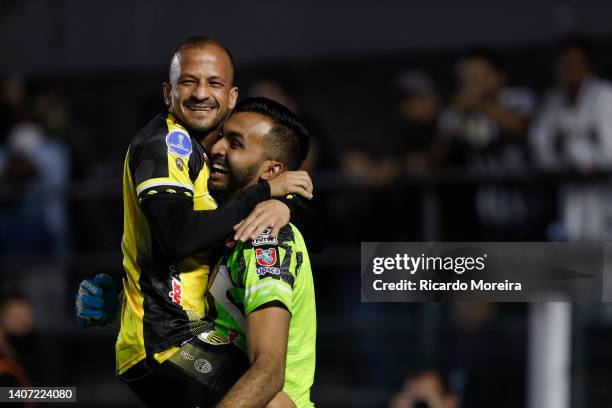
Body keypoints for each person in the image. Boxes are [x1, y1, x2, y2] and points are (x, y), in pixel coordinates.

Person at [78, 35, 314, 406]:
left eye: (214, 83)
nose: (201, 93)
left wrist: (282, 202)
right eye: (188, 81)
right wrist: (267, 194)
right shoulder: (167, 144)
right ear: (167, 91)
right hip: (169, 340)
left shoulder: (256, 222)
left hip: (184, 337)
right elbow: (175, 236)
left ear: (232, 96)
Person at [206, 97, 316, 407]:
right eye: (221, 136)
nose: (216, 148)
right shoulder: (218, 227)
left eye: (235, 144)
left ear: (272, 170)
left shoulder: (263, 237)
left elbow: (268, 372)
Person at [530, 37, 612, 241]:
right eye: (564, 64)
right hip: (569, 188)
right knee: (574, 248)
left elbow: (609, 152)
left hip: (604, 188)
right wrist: (564, 163)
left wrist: (581, 155)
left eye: (576, 63)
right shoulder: (552, 99)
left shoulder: (604, 95)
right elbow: (540, 146)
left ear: (589, 66)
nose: (570, 69)